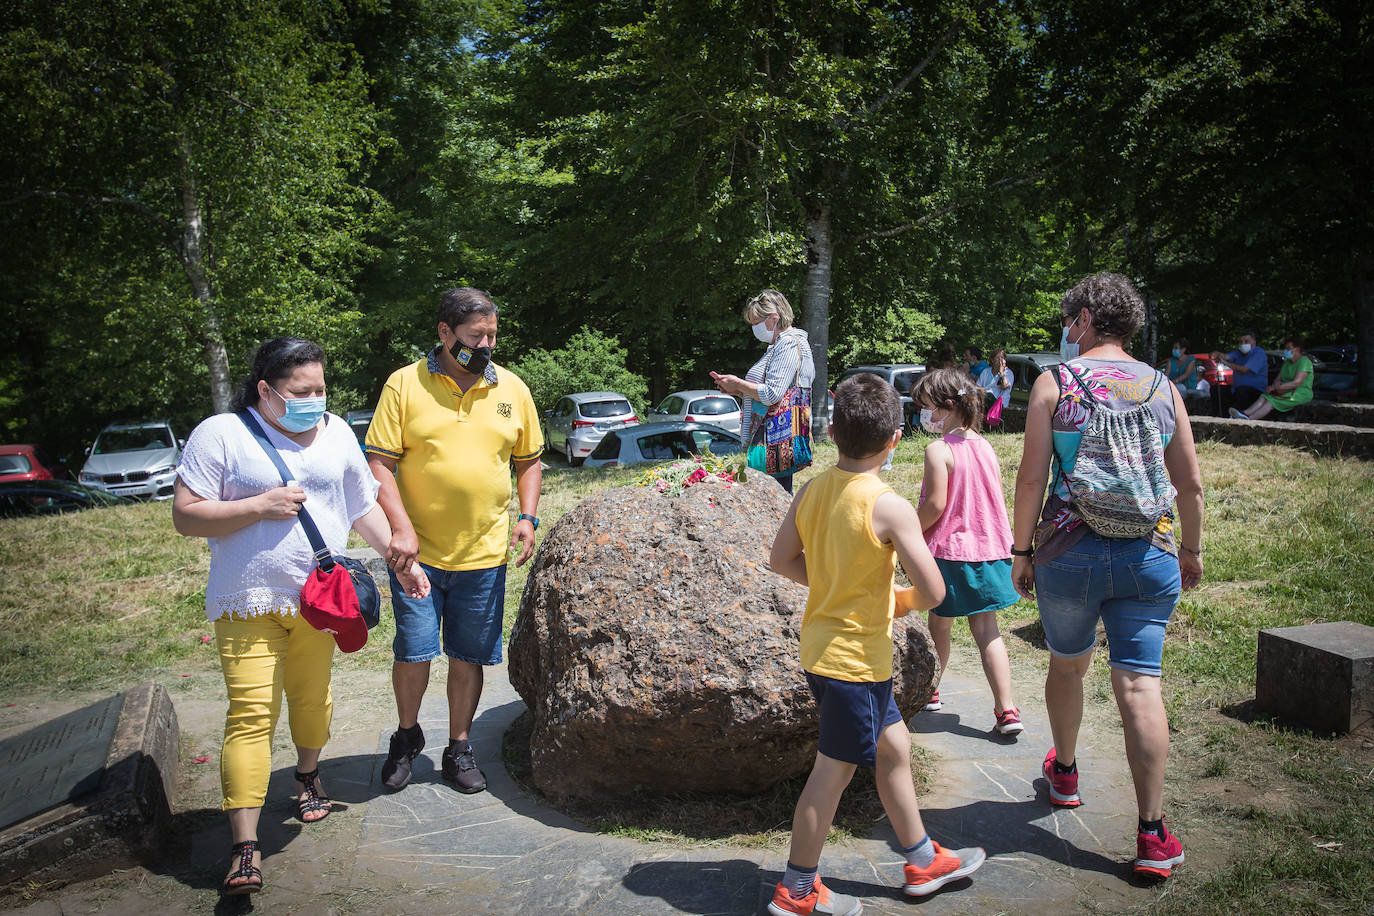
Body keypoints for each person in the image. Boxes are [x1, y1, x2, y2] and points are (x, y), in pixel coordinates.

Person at [172, 337, 430, 896]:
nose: (315, 399)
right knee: (250, 714)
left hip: (320, 601)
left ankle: (308, 776)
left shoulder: (336, 431)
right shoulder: (221, 434)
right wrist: (255, 507)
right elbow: (187, 516)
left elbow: (361, 506)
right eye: (300, 391)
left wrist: (399, 561)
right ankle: (245, 845)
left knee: (313, 699)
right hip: (248, 601)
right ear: (265, 390)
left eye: (321, 388)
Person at [766, 373, 985, 915]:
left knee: (894, 748)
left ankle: (920, 859)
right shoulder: (888, 505)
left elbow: (781, 560)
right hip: (856, 662)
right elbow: (932, 591)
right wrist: (898, 600)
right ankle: (797, 890)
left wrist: (837, 584)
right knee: (832, 772)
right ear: (894, 439)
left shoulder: (814, 488)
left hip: (824, 651)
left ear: (833, 432)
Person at [1012, 272, 1204, 880]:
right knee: (1140, 686)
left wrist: (1021, 551)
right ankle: (1152, 833)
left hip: (1069, 554)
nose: (1066, 331)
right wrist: (1192, 551)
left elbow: (1030, 478)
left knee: (1068, 662)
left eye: (1069, 320)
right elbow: (1190, 483)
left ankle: (1063, 773)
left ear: (1088, 319)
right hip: (1151, 552)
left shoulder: (1055, 384)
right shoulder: (1162, 388)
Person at [366, 287, 545, 795]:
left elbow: (528, 459)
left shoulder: (512, 388)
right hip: (415, 556)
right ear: (444, 333)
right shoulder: (404, 384)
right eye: (474, 336)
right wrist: (399, 529)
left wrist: (527, 517)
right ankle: (406, 738)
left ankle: (459, 747)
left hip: (484, 554)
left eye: (492, 334)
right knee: (415, 651)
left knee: (468, 656)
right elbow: (379, 462)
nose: (486, 344)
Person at [911, 368, 1022, 734]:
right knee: (988, 630)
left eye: (925, 406)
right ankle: (1006, 710)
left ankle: (930, 691)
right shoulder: (986, 446)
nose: (923, 414)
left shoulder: (938, 449)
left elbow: (935, 506)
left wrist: (907, 528)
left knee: (938, 624)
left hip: (949, 552)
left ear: (944, 407)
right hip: (990, 550)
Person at [710, 288, 815, 494]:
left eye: (756, 323)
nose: (754, 328)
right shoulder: (778, 346)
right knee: (776, 495)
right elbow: (771, 393)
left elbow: (772, 395)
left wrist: (738, 383)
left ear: (774, 318)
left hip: (777, 437)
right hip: (774, 437)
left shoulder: (789, 344)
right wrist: (737, 391)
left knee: (777, 498)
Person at [1229, 336, 1314, 421]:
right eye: (1286, 348)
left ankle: (1249, 419)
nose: (1286, 351)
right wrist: (1273, 386)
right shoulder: (1287, 363)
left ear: (1297, 349)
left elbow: (1297, 382)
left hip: (1300, 393)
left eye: (1289, 348)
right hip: (1286, 390)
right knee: (1264, 396)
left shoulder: (1304, 361)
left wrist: (1277, 387)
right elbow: (1278, 378)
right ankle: (1245, 413)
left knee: (1271, 401)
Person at [1210, 331, 1267, 415]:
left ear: (1254, 342)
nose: (1243, 344)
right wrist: (1217, 354)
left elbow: (1245, 369)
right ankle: (1219, 416)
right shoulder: (1238, 352)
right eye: (1241, 342)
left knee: (1242, 391)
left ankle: (1241, 417)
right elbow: (1227, 356)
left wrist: (1225, 363)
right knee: (1216, 389)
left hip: (1254, 391)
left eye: (1246, 341)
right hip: (1237, 388)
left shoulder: (1259, 353)